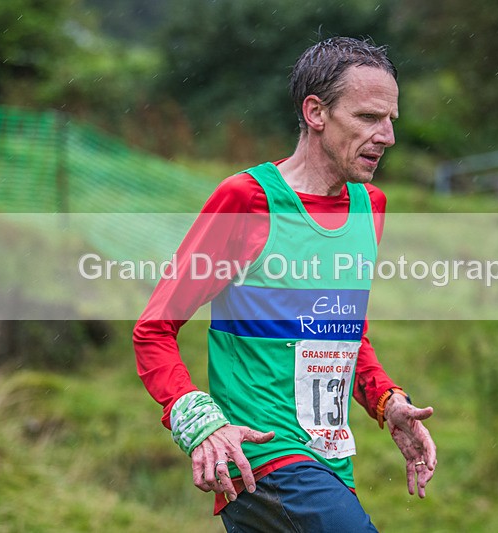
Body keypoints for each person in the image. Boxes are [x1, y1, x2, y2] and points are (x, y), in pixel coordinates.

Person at [133, 36, 437, 532]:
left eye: (390, 120)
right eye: (367, 118)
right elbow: (153, 329)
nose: (387, 136)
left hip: (330, 461)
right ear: (316, 112)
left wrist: (388, 401)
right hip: (266, 457)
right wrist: (201, 424)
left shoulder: (370, 207)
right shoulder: (246, 200)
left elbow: (341, 331)